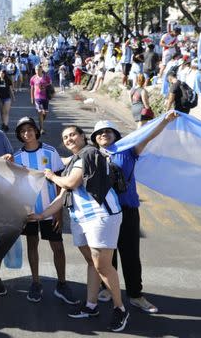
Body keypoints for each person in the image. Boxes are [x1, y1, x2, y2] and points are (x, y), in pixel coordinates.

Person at [29, 125, 129, 333]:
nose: (69, 139)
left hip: (101, 216)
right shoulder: (73, 162)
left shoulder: (89, 153)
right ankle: (91, 305)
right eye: (65, 137)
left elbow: (71, 182)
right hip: (81, 218)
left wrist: (51, 176)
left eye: (73, 134)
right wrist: (40, 215)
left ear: (83, 136)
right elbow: (61, 197)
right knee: (92, 263)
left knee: (102, 265)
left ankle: (120, 308)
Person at [90, 116, 179, 315]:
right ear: (94, 138)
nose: (104, 134)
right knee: (106, 254)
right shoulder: (90, 155)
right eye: (99, 133)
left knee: (130, 254)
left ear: (115, 135)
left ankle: (136, 295)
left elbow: (147, 136)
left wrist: (164, 121)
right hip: (102, 213)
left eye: (108, 131)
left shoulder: (128, 151)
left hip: (127, 210)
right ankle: (107, 289)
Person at [13, 117, 78, 304]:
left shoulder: (49, 151)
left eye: (30, 129)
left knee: (57, 246)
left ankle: (62, 283)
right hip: (30, 212)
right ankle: (35, 282)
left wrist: (58, 211)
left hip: (51, 209)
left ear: (36, 130)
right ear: (19, 135)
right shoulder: (17, 157)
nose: (27, 133)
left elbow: (59, 181)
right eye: (23, 131)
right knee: (32, 245)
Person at [30, 65, 52, 134]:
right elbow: (32, 88)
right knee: (40, 112)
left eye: (39, 69)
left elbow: (50, 85)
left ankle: (41, 121)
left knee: (45, 113)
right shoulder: (33, 78)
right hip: (37, 97)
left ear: (41, 69)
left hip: (45, 97)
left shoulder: (46, 77)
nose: (37, 71)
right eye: (36, 70)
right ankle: (42, 128)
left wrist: (51, 93)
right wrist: (32, 98)